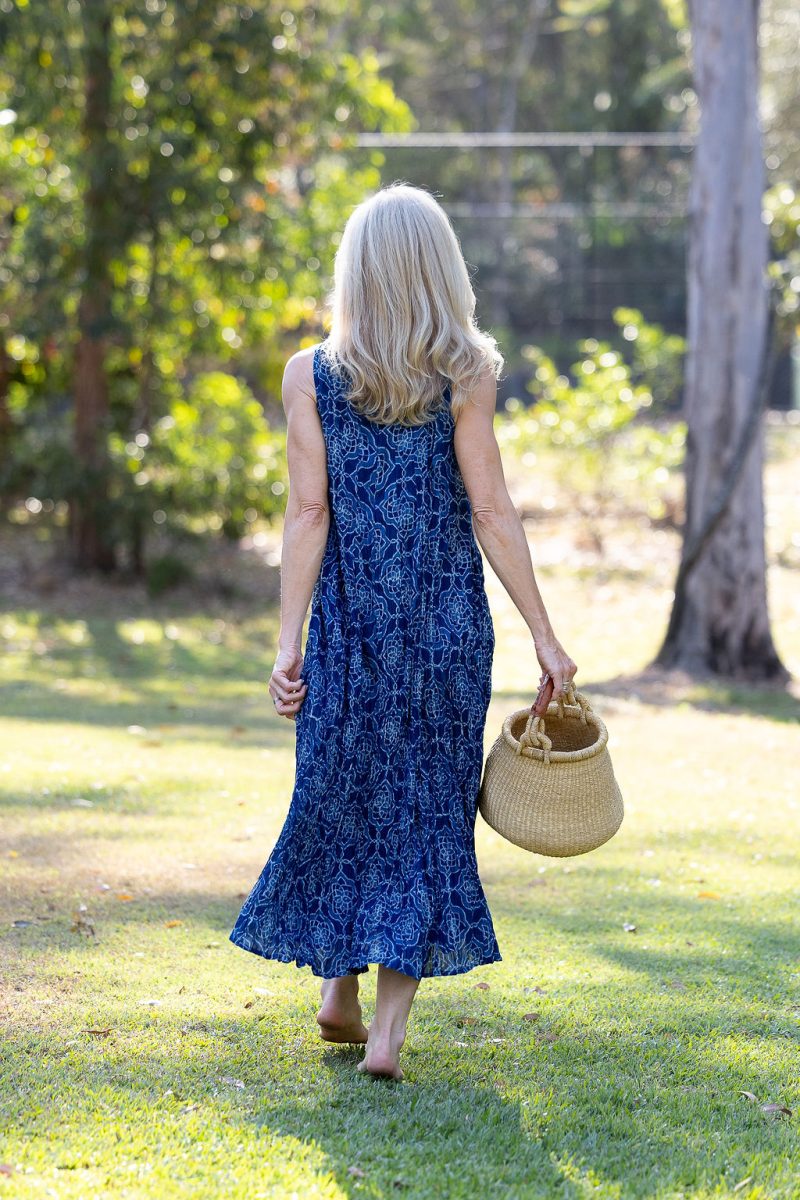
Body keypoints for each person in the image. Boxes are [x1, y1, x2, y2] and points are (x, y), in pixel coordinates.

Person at [229, 182, 577, 1080]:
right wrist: (543, 632)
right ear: (439, 269)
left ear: (356, 271)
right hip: (445, 631)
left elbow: (308, 512)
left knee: (338, 796)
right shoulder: (466, 374)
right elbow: (491, 509)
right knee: (426, 813)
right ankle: (379, 1030)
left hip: (348, 630)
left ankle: (336, 992)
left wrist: (289, 642)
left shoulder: (309, 374)